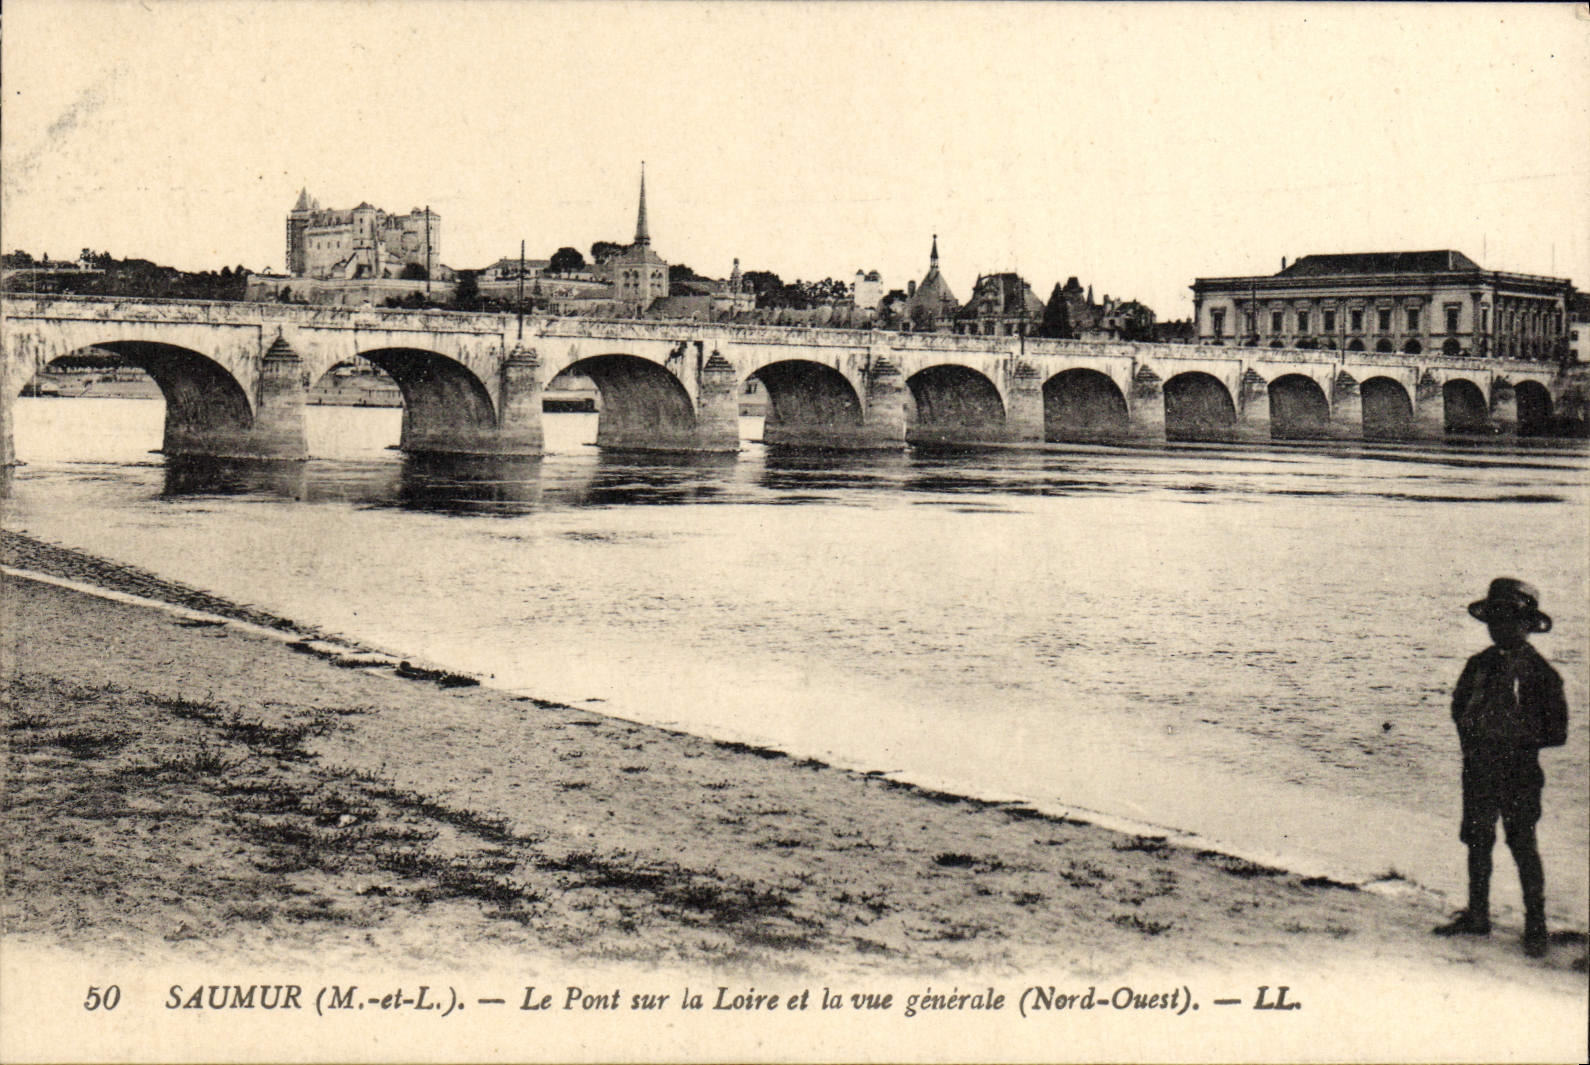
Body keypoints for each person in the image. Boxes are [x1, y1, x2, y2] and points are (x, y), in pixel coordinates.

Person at [1434, 578, 1568, 958]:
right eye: (1495, 620)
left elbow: (1557, 732)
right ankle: (1478, 916)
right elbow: (1458, 709)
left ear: (1526, 626)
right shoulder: (1478, 665)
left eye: (1509, 620)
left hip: (1519, 772)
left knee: (1522, 842)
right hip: (1478, 768)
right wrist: (1474, 738)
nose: (1501, 627)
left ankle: (1536, 926)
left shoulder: (1542, 675)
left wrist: (1514, 736)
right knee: (1477, 841)